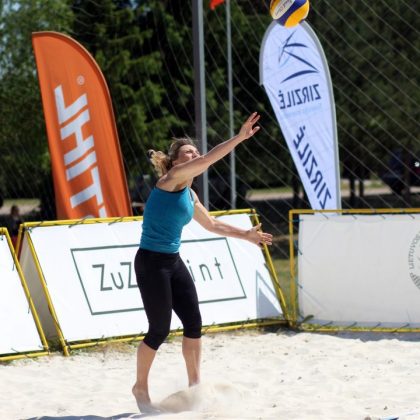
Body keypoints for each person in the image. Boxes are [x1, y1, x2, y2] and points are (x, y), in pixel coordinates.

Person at [132, 112, 273, 412]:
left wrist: (247, 235)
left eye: (195, 152)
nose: (195, 155)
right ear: (175, 162)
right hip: (151, 263)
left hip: (172, 261)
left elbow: (212, 224)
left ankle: (195, 386)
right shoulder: (170, 180)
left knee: (194, 323)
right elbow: (209, 159)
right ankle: (140, 386)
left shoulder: (190, 194)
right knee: (159, 330)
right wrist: (239, 138)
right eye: (188, 153)